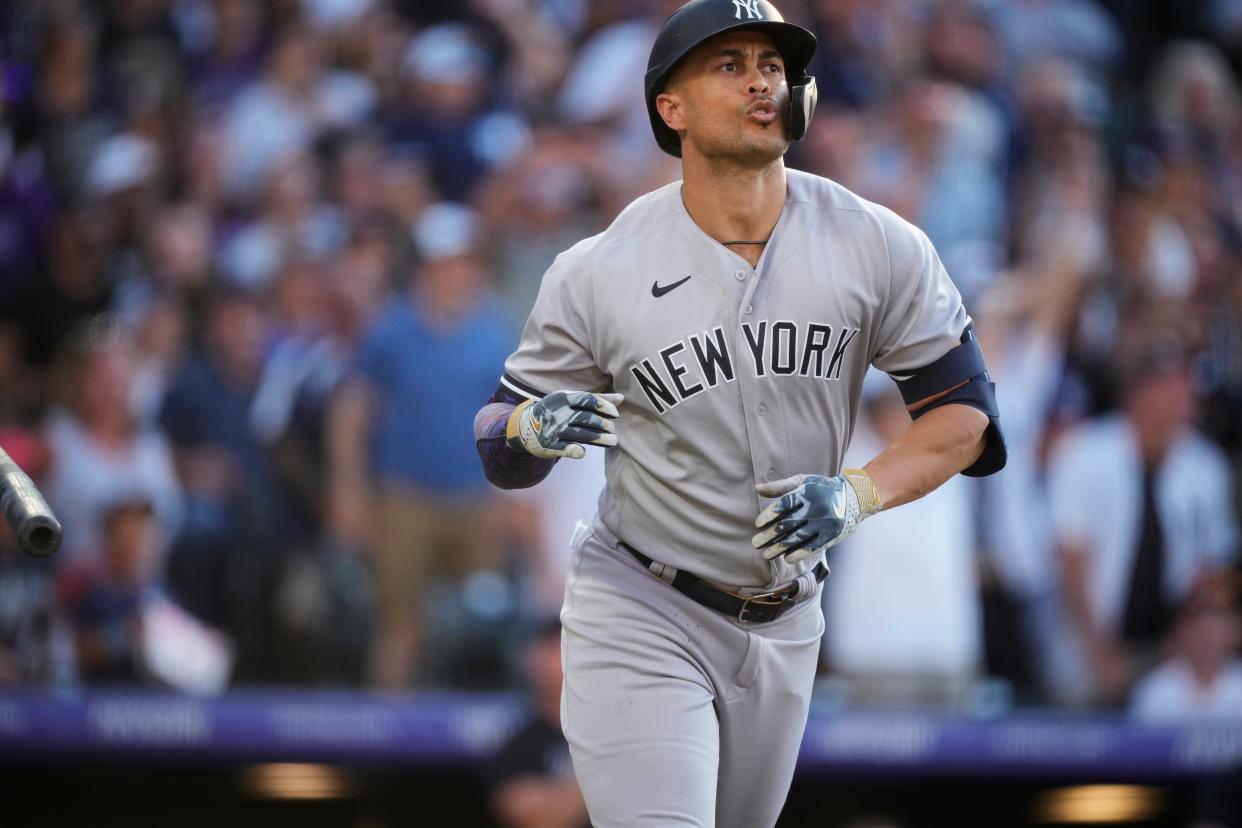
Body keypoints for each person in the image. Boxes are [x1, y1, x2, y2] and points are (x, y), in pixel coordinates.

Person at [472, 2, 1007, 825]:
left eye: (773, 63)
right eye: (729, 64)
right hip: (642, 601)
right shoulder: (599, 268)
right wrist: (527, 430)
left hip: (787, 619)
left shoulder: (879, 243)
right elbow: (499, 440)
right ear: (670, 108)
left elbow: (963, 413)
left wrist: (857, 493)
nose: (762, 78)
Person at [488, 618, 590, 828]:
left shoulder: (610, 730)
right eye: (553, 649)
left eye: (568, 647)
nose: (562, 660)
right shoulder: (519, 744)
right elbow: (538, 820)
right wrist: (602, 769)